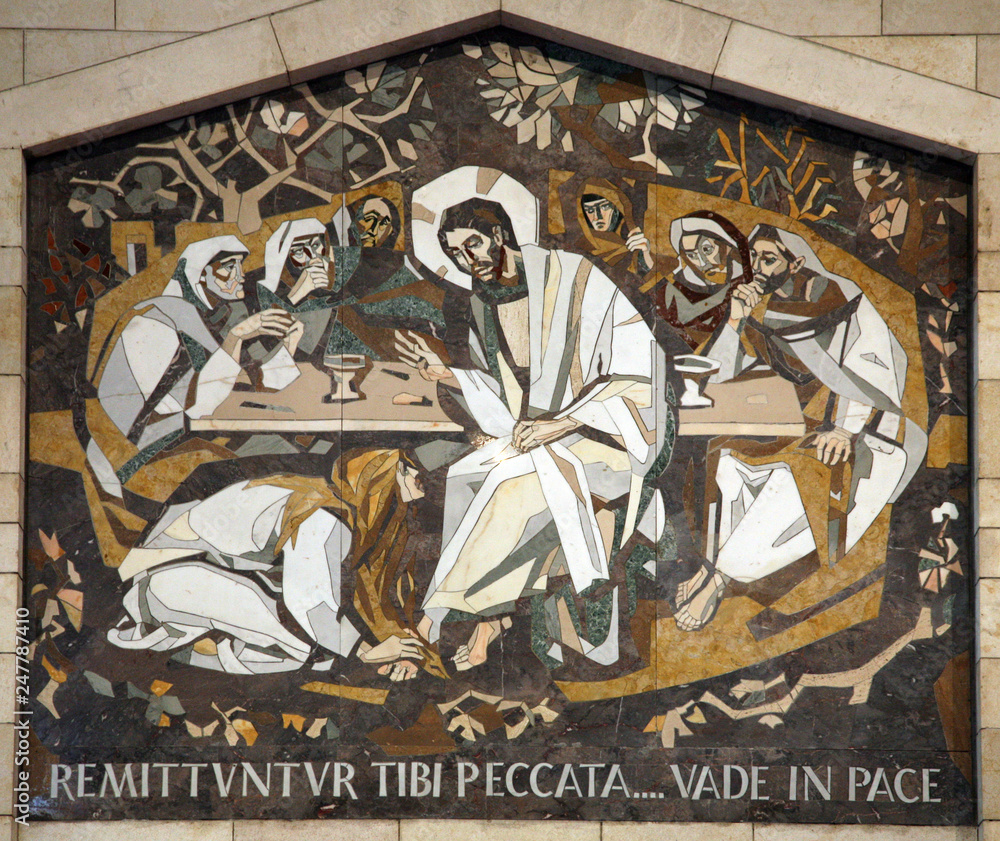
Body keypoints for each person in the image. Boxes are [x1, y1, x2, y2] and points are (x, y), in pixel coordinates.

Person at [404, 166, 672, 670]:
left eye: (474, 245)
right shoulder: (484, 306)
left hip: (608, 435)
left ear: (500, 234)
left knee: (507, 490)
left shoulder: (572, 277)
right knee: (467, 474)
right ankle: (491, 619)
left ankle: (434, 618)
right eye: (457, 254)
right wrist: (450, 375)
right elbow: (506, 393)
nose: (469, 261)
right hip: (538, 438)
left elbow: (640, 373)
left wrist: (563, 423)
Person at [672, 224, 928, 631]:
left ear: (797, 261)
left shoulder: (842, 300)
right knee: (724, 458)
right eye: (753, 258)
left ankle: (719, 579)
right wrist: (736, 320)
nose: (757, 267)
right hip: (797, 421)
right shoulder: (760, 303)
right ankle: (713, 563)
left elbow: (872, 371)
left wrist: (844, 430)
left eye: (769, 259)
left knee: (788, 483)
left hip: (864, 430)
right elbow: (720, 373)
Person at [108, 449, 441, 681]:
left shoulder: (349, 514)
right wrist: (368, 652)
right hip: (158, 584)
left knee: (317, 648)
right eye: (420, 477)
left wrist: (394, 648)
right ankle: (181, 642)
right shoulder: (324, 513)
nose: (424, 489)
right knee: (311, 646)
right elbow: (309, 604)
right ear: (394, 470)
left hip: (207, 578)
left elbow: (360, 595)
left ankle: (200, 645)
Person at [87, 235, 303, 500]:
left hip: (180, 435)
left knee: (287, 453)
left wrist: (289, 345)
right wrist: (235, 338)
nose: (241, 275)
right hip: (138, 457)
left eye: (240, 265)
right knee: (283, 464)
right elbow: (195, 407)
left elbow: (251, 381)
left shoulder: (203, 317)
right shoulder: (158, 320)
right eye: (229, 266)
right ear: (199, 275)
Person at [656, 211, 749, 350]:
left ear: (728, 246)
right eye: (691, 255)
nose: (702, 262)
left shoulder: (745, 289)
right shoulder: (677, 288)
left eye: (707, 249)